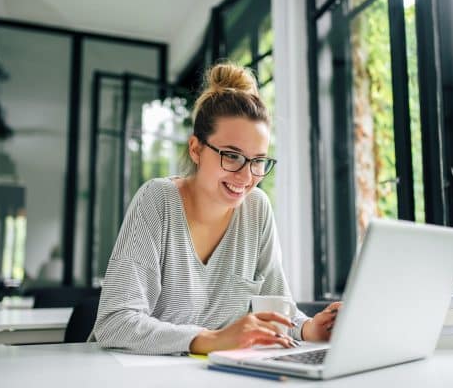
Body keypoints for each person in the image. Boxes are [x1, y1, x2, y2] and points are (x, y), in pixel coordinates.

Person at [91, 63, 341, 355]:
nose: (246, 177)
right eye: (232, 156)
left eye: (258, 160)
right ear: (196, 149)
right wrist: (211, 339)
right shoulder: (157, 200)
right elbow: (114, 322)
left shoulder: (257, 209)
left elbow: (277, 308)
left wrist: (310, 328)